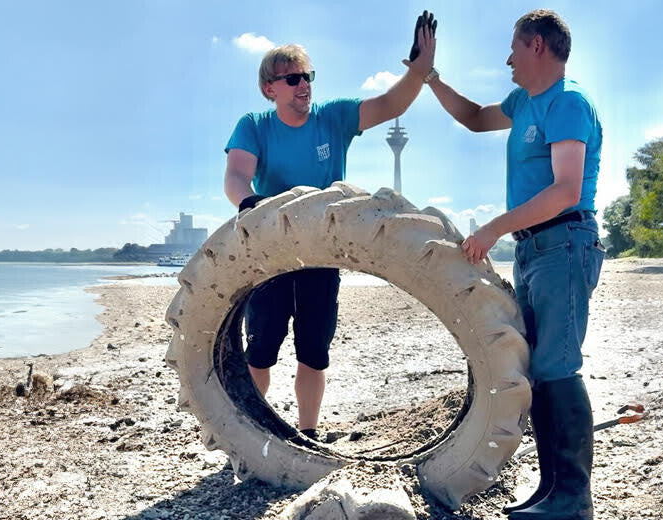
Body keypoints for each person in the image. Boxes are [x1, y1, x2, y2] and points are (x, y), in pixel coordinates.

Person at [223, 13, 438, 440]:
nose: (304, 84)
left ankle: (308, 432)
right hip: (271, 252)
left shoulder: (333, 118)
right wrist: (253, 204)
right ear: (270, 88)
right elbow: (236, 178)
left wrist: (418, 71)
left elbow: (390, 105)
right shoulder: (254, 125)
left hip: (323, 254)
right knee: (261, 349)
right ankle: (252, 431)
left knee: (313, 351)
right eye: (293, 78)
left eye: (308, 76)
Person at [425, 9, 602, 520]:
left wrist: (492, 228)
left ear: (537, 45)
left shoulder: (568, 102)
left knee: (558, 365)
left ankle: (573, 499)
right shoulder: (524, 101)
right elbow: (475, 118)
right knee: (540, 368)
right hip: (533, 249)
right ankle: (551, 491)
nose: (507, 59)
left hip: (564, 243)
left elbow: (566, 191)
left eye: (514, 48)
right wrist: (429, 76)